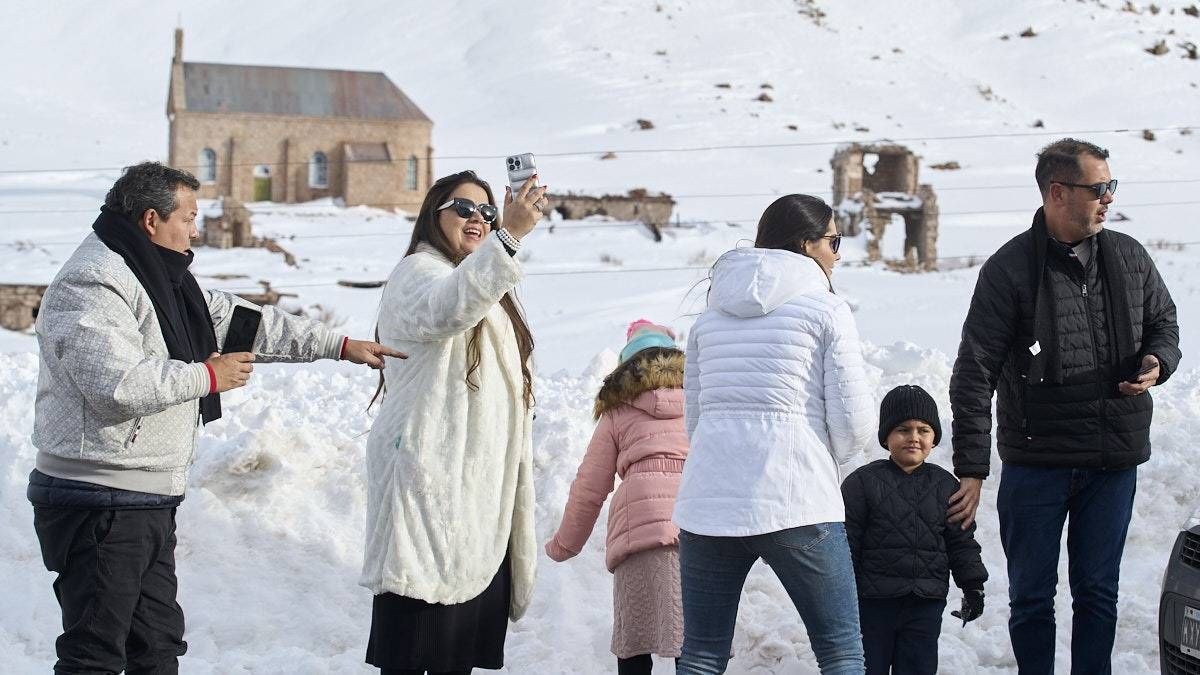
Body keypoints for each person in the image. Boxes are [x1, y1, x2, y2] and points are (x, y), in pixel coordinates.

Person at [27, 161, 402, 674]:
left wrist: (338, 345)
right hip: (98, 499)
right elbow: (117, 385)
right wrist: (207, 376)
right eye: (188, 218)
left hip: (142, 496)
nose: (196, 231)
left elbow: (246, 323)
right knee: (95, 654)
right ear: (151, 219)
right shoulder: (93, 281)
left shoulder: (163, 280)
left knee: (156, 648)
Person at [948, 138, 1181, 674]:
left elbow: (1164, 324)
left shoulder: (1130, 257)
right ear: (1057, 192)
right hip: (1037, 463)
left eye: (1111, 185)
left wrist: (1157, 361)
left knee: (1098, 593)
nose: (1109, 198)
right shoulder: (1009, 269)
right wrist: (972, 468)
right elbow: (975, 371)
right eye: (1098, 188)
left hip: (1112, 461)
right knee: (1031, 598)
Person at [673, 194, 875, 674]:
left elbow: (695, 421)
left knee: (701, 654)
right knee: (841, 651)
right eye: (833, 241)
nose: (837, 254)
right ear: (806, 244)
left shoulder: (708, 318)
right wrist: (825, 456)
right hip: (798, 499)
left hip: (709, 504)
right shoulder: (826, 310)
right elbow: (853, 423)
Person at [360, 170, 549, 674]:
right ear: (434, 215)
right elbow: (447, 309)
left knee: (456, 657)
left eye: (487, 212)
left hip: (478, 496)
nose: (477, 219)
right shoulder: (417, 273)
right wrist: (510, 236)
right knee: (414, 651)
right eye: (463, 208)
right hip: (432, 486)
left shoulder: (485, 284)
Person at [545, 320, 689, 674]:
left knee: (634, 643)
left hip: (638, 532)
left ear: (627, 368)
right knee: (696, 644)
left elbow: (589, 487)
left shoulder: (617, 411)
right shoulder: (700, 400)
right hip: (695, 525)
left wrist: (565, 544)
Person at [841, 385, 988, 675]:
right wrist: (843, 595)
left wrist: (973, 586)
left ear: (934, 438)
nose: (914, 437)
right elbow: (847, 544)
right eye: (903, 429)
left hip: (925, 604)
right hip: (873, 604)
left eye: (923, 430)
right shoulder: (862, 483)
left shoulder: (946, 486)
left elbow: (961, 542)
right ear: (886, 437)